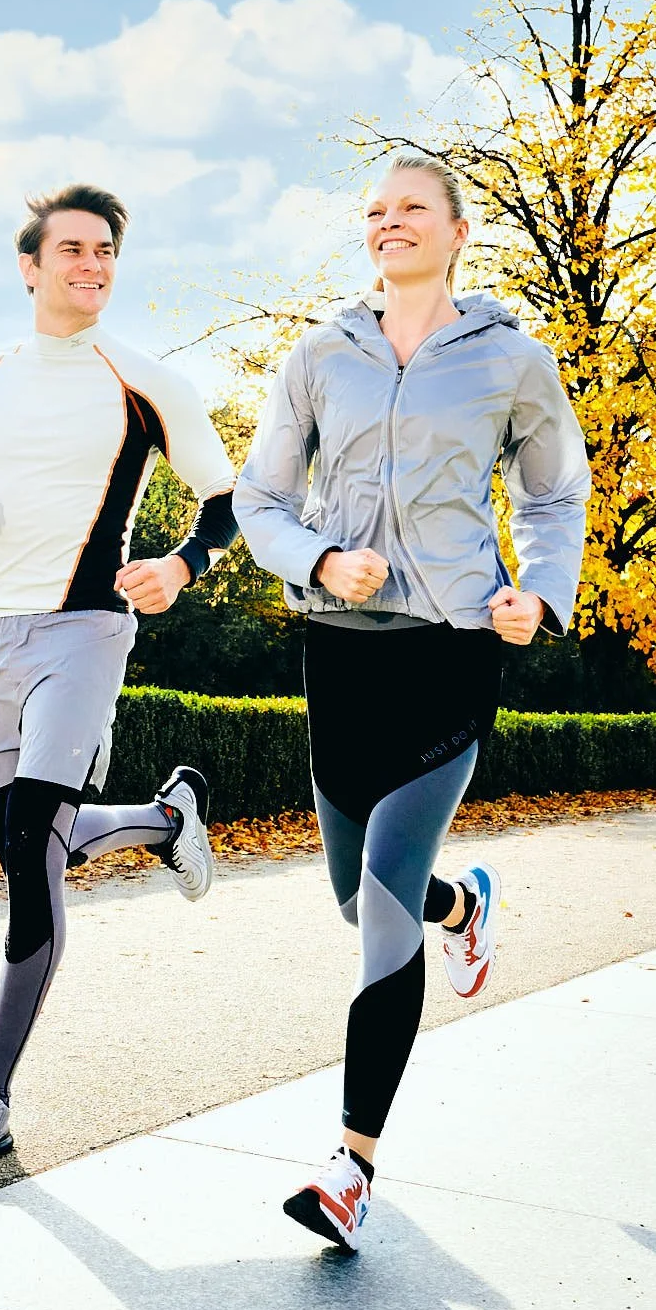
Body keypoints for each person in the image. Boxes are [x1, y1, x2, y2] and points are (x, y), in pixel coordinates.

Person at [233, 151, 589, 1250]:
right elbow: (259, 496)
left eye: (411, 210)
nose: (390, 225)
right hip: (339, 651)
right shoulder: (318, 357)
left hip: (450, 646)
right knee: (356, 895)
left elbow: (554, 486)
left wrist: (539, 593)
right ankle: (463, 909)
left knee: (378, 903)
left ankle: (351, 1167)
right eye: (376, 213)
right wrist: (317, 559)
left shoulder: (512, 360)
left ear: (457, 228)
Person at [0, 183, 238, 1173]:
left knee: (32, 859)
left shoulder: (142, 380)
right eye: (75, 250)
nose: (93, 266)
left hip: (87, 629)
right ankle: (169, 820)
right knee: (20, 845)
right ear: (30, 266)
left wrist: (179, 566)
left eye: (107, 253)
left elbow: (226, 497)